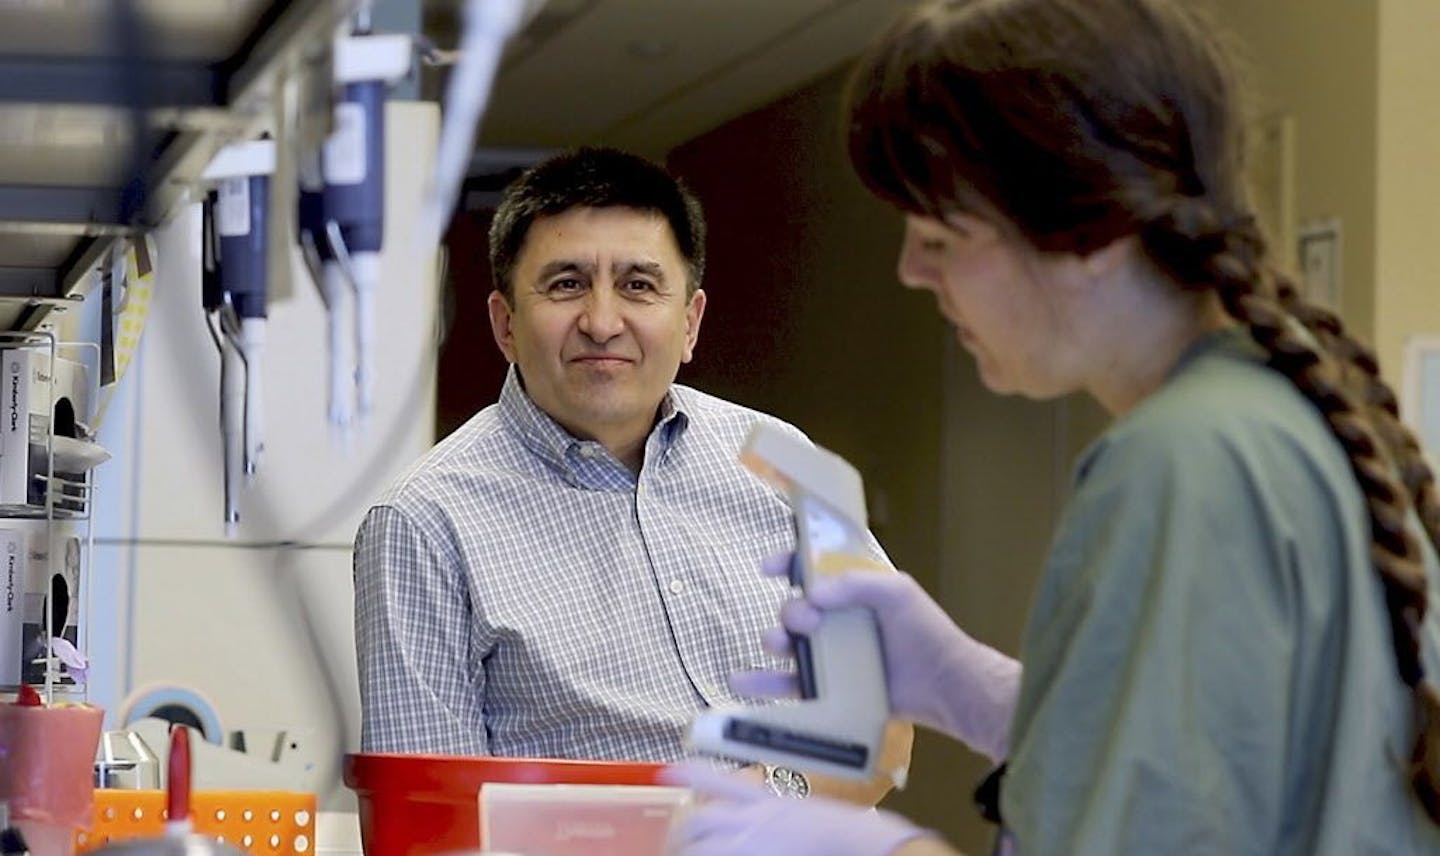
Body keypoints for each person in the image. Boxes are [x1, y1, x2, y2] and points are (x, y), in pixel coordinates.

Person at [666, 0, 1440, 853]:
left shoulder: (1179, 464)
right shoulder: (1287, 414)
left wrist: (862, 848)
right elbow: (1233, 770)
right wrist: (980, 692)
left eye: (939, 231)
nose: (911, 269)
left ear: (1089, 227)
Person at [353, 146, 910, 804]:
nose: (603, 321)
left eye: (639, 285)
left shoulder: (781, 461)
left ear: (690, 321)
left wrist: (767, 798)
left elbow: (885, 717)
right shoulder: (425, 523)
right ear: (505, 323)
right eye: (566, 284)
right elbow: (426, 821)